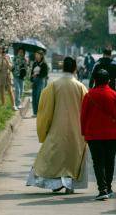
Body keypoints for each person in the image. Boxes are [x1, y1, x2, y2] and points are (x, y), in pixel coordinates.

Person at [26, 57, 88, 194]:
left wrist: (45, 128)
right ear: (75, 69)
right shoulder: (81, 87)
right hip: (77, 130)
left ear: (62, 68)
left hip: (57, 128)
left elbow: (45, 110)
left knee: (54, 157)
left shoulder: (53, 86)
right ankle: (70, 185)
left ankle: (56, 182)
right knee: (73, 158)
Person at [81, 68, 116, 201]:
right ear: (108, 81)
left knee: (98, 163)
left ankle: (102, 189)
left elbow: (83, 117)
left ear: (95, 81)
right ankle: (108, 188)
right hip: (112, 136)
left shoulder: (89, 95)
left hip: (94, 136)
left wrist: (84, 133)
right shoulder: (114, 95)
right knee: (110, 162)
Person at [0, 45, 17, 110]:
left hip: (7, 74)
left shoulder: (8, 56)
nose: (1, 51)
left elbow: (11, 68)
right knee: (1, 90)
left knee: (10, 90)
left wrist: (6, 60)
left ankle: (13, 105)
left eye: (2, 50)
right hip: (0, 74)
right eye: (0, 50)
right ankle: (3, 104)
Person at [30, 49, 49, 116]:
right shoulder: (35, 63)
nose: (36, 56)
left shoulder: (44, 64)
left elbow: (45, 74)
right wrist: (31, 80)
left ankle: (40, 112)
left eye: (38, 55)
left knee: (39, 96)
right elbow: (32, 72)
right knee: (34, 96)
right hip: (34, 81)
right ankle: (35, 112)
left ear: (41, 56)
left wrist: (37, 75)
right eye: (36, 55)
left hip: (41, 81)